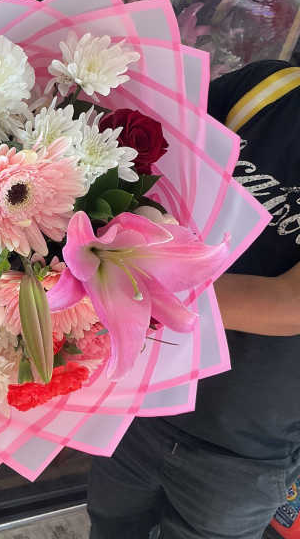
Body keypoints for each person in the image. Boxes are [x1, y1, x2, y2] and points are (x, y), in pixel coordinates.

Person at [87, 60, 300, 539]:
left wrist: (123, 286)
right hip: (143, 402)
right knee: (108, 526)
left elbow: (290, 303)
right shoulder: (269, 87)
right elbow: (149, 140)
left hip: (243, 452)